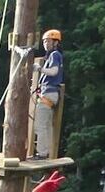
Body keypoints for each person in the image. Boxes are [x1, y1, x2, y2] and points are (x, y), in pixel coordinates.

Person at [31, 29, 64, 160]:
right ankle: (47, 152)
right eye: (44, 41)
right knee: (47, 125)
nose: (46, 43)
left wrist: (40, 69)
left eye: (48, 41)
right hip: (50, 94)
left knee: (40, 125)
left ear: (56, 42)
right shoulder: (53, 56)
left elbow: (54, 71)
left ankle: (42, 153)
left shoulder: (55, 55)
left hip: (48, 93)